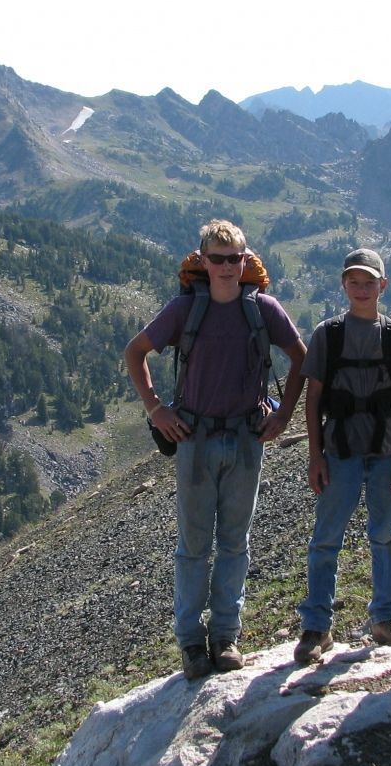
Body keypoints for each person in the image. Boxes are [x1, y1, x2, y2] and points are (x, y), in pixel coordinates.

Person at [124, 219, 306, 680]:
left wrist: (283, 415)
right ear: (203, 261)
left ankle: (225, 636)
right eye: (218, 258)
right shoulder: (186, 310)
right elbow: (135, 351)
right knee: (193, 546)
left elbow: (302, 356)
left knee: (234, 543)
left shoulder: (262, 308)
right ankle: (191, 642)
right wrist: (156, 410)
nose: (226, 267)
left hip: (246, 438)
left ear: (246, 261)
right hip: (196, 439)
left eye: (234, 258)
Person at [294, 248, 391, 665]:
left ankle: (385, 618)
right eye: (354, 281)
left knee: (385, 534)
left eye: (370, 282)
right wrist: (315, 456)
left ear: (383, 286)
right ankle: (317, 626)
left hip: (385, 451)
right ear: (343, 285)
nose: (362, 289)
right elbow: (312, 399)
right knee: (326, 538)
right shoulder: (326, 334)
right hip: (341, 450)